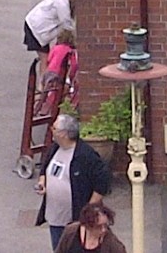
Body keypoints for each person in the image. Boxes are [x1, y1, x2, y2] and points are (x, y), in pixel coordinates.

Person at [35, 114, 111, 251]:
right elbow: (45, 167)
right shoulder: (55, 148)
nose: (51, 130)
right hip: (55, 216)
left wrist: (89, 208)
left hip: (74, 219)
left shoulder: (85, 155)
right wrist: (43, 182)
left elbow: (102, 181)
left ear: (64, 133)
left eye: (55, 128)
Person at [25, 0, 76, 77]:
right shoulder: (62, 7)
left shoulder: (61, 0)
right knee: (45, 60)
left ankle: (42, 84)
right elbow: (68, 26)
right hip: (36, 29)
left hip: (33, 23)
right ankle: (43, 86)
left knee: (46, 58)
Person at [35, 28, 78, 117]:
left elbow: (49, 59)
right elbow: (74, 65)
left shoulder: (56, 48)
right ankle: (49, 110)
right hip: (59, 75)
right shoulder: (71, 51)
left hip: (49, 73)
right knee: (55, 93)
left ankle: (38, 107)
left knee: (45, 91)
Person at [54, 202, 126, 253]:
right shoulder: (71, 232)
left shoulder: (111, 242)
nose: (104, 230)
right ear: (87, 225)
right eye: (98, 227)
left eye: (105, 225)